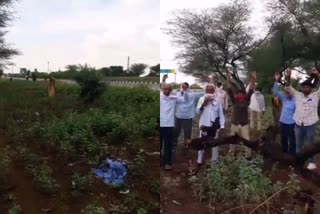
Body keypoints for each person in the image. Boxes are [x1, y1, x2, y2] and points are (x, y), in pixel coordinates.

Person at [285, 67, 320, 170]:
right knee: (298, 145)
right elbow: (288, 87)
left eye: (307, 87)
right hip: (298, 124)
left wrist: (317, 74)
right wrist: (288, 77)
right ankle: (298, 163)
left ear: (311, 88)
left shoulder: (315, 95)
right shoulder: (298, 95)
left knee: (311, 145)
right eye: (304, 87)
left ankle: (312, 163)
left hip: (310, 125)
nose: (305, 89)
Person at [227, 72, 255, 160]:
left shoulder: (246, 100)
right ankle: (231, 154)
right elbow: (229, 89)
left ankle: (248, 156)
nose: (239, 95)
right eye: (237, 94)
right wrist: (228, 79)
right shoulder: (234, 100)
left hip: (244, 124)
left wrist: (253, 79)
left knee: (247, 140)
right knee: (232, 140)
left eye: (240, 94)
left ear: (243, 94)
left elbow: (251, 89)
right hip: (235, 123)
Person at [196, 84, 225, 165]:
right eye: (208, 90)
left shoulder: (218, 100)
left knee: (214, 143)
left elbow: (221, 114)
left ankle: (214, 160)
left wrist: (222, 126)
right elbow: (197, 112)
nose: (209, 92)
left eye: (211, 90)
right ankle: (199, 160)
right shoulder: (202, 99)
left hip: (214, 126)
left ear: (214, 91)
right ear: (205, 91)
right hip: (204, 125)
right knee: (202, 142)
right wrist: (204, 103)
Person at [160, 83, 186, 170]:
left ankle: (167, 163)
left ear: (171, 90)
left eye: (169, 89)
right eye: (165, 89)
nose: (167, 91)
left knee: (168, 145)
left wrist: (182, 91)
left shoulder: (174, 98)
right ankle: (160, 161)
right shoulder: (159, 97)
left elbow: (183, 100)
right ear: (162, 89)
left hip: (169, 125)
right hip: (160, 124)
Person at [174, 82, 205, 151]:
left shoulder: (192, 94)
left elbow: (203, 92)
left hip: (188, 117)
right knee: (176, 130)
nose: (184, 88)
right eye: (183, 86)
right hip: (179, 115)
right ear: (181, 87)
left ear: (188, 87)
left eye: (186, 87)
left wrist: (211, 83)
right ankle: (174, 143)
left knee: (187, 132)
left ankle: (187, 144)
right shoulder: (178, 94)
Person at [273, 72, 296, 155]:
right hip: (282, 122)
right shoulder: (284, 98)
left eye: (288, 92)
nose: (287, 94)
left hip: (291, 123)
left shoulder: (295, 101)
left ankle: (292, 154)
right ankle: (284, 152)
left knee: (292, 139)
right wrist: (276, 80)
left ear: (291, 93)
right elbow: (275, 91)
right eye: (286, 92)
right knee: (283, 138)